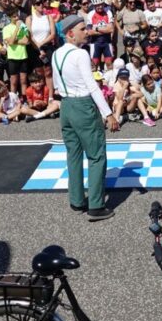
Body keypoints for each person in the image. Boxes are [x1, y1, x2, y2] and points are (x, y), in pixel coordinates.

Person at [51, 15, 119, 221]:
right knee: (97, 155)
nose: (87, 32)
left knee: (73, 154)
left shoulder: (56, 54)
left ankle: (77, 200)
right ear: (70, 33)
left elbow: (55, 84)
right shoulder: (80, 54)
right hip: (82, 105)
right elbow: (92, 86)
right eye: (82, 29)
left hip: (66, 106)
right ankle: (96, 205)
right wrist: (108, 113)